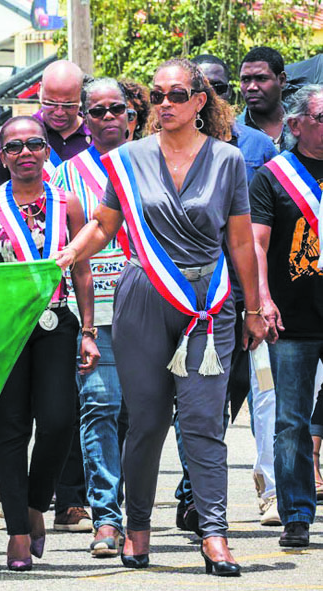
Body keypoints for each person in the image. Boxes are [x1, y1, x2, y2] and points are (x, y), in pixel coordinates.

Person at [56, 58, 268, 576]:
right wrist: (63, 257)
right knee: (146, 422)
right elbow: (103, 226)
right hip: (144, 298)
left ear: (201, 101)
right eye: (158, 96)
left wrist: (256, 307)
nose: (166, 104)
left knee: (202, 422)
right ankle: (138, 529)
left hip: (208, 303)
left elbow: (240, 240)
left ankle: (214, 533)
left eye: (177, 95)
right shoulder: (127, 158)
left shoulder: (227, 160)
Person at [0, 115, 97, 571]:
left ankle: (37, 501)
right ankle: (18, 530)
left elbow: (80, 269)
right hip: (4, 330)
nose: (24, 153)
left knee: (59, 421)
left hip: (57, 323)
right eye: (14, 147)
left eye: (34, 144)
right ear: (1, 156)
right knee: (12, 429)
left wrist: (90, 330)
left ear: (45, 152)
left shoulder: (69, 204)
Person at [192, 52, 281, 529]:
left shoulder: (257, 147)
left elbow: (266, 232)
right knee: (200, 398)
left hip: (244, 294)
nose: (215, 98)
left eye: (220, 88)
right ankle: (194, 492)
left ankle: (263, 487)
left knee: (254, 391)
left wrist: (261, 298)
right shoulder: (167, 146)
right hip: (189, 295)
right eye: (202, 89)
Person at [51, 78, 133, 558]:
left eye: (115, 109)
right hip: (93, 310)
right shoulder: (65, 176)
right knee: (100, 406)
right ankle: (105, 516)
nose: (106, 118)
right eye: (96, 111)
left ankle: (140, 509)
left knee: (140, 416)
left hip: (149, 305)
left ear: (130, 115)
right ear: (85, 116)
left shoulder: (151, 163)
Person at [250, 84, 323, 548]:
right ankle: (296, 512)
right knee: (291, 420)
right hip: (293, 318)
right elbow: (256, 242)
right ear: (296, 125)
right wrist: (262, 299)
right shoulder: (273, 176)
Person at [0, 60, 91, 189]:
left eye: (69, 105)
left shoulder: (97, 137)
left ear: (81, 97)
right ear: (39, 91)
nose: (59, 112)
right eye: (50, 104)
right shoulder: (12, 135)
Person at [240, 47, 293, 149]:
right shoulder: (232, 134)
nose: (252, 87)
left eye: (261, 78)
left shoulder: (303, 125)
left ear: (281, 80)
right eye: (245, 79)